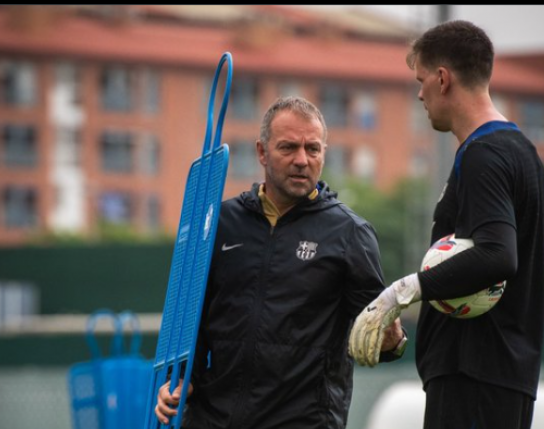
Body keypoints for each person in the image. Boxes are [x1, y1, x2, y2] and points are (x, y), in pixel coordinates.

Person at [349, 20, 544, 429]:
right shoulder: (522, 152)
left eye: (421, 80)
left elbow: (497, 255)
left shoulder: (483, 155)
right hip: (501, 377)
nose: (420, 94)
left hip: (473, 379)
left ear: (443, 79)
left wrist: (401, 293)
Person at [155, 96, 405, 429]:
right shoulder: (220, 221)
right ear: (261, 152)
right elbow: (193, 322)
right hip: (212, 420)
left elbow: (380, 339)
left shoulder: (350, 233)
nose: (302, 160)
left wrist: (393, 340)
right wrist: (178, 380)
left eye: (313, 149)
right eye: (288, 148)